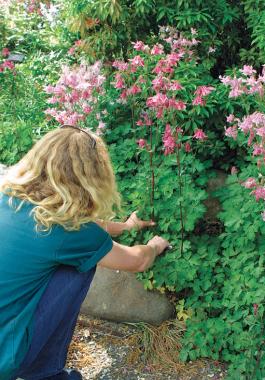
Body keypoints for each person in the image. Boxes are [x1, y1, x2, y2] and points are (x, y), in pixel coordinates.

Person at [0, 126, 170, 380]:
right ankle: (47, 373)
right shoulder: (66, 232)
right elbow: (138, 260)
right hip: (5, 356)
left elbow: (78, 226)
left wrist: (125, 226)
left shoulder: (8, 196)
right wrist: (156, 245)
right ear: (90, 176)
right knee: (80, 263)